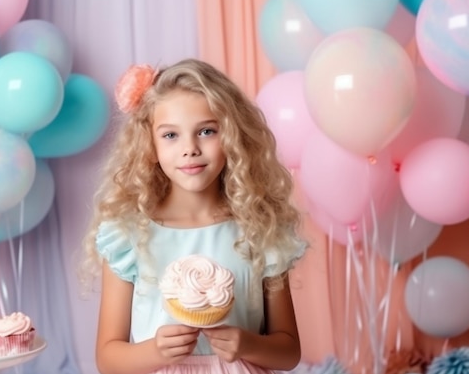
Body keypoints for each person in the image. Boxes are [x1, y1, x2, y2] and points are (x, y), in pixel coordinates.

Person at [78, 58, 306, 374]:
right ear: (150, 144)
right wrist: (156, 351)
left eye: (207, 131)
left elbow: (289, 352)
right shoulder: (128, 235)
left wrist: (247, 344)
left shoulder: (260, 229)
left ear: (232, 137)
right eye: (171, 135)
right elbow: (108, 358)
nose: (190, 149)